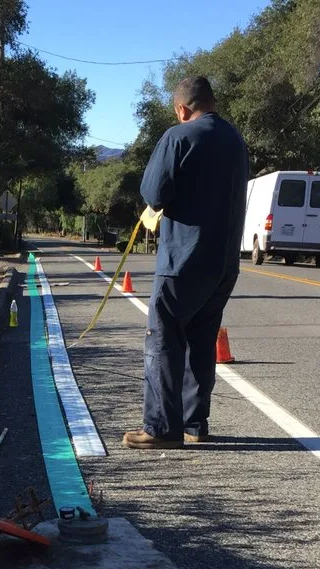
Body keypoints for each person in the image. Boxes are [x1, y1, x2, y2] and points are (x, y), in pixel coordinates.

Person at [122, 76, 249, 449]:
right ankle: (196, 423)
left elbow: (154, 192)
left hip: (183, 259)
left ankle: (161, 427)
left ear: (182, 108)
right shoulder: (235, 140)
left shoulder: (178, 137)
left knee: (164, 337)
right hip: (224, 263)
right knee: (201, 339)